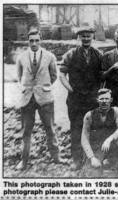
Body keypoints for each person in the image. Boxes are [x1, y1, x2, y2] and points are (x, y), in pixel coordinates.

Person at [59, 25, 103, 170]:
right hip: (76, 100)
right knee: (76, 128)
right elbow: (62, 74)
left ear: (92, 37)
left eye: (88, 35)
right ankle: (77, 160)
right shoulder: (70, 54)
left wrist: (100, 92)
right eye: (82, 36)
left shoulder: (98, 54)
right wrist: (70, 89)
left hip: (92, 99)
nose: (85, 38)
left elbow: (103, 75)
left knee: (93, 128)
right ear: (79, 37)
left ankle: (92, 157)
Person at [15, 29, 59, 170]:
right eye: (31, 40)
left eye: (37, 40)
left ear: (41, 40)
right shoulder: (21, 57)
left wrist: (43, 87)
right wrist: (26, 88)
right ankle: (24, 160)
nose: (34, 43)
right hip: (27, 99)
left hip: (45, 98)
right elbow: (19, 77)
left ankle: (56, 157)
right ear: (28, 41)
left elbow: (54, 76)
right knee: (26, 131)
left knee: (50, 128)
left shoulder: (50, 56)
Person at [81, 88, 118, 177]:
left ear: (111, 100)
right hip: (97, 146)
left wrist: (109, 139)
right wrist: (92, 157)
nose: (104, 101)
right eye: (101, 99)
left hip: (111, 144)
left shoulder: (115, 111)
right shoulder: (89, 115)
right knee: (93, 173)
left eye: (107, 99)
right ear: (97, 100)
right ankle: (98, 163)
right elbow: (84, 139)